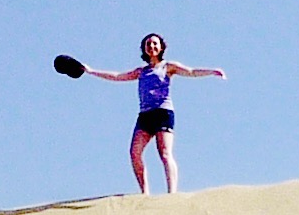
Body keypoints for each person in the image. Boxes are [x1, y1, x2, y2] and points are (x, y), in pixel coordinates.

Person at [77, 33, 225, 194]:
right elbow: (117, 76)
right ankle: (144, 193)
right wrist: (90, 71)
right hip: (145, 115)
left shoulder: (168, 66)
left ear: (161, 47)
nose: (152, 47)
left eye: (155, 44)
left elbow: (191, 71)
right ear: (144, 49)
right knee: (135, 153)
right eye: (148, 44)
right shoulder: (141, 71)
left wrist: (212, 71)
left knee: (165, 153)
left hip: (163, 113)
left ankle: (172, 193)